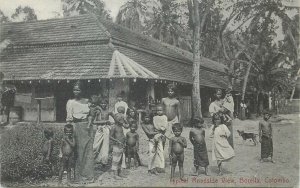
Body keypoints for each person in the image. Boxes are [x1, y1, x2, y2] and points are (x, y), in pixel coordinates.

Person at [66, 81, 94, 183]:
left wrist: (89, 124)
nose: (76, 91)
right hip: (76, 127)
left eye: (78, 89)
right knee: (78, 152)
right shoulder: (70, 102)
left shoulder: (87, 101)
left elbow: (90, 114)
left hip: (86, 127)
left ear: (82, 90)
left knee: (88, 151)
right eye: (74, 89)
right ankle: (78, 176)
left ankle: (88, 176)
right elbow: (69, 119)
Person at [110, 106, 129, 180]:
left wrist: (125, 120)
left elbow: (127, 126)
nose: (122, 120)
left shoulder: (121, 126)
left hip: (122, 144)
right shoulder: (114, 127)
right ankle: (115, 174)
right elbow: (110, 137)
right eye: (120, 119)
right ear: (116, 120)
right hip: (117, 145)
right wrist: (116, 141)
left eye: (122, 119)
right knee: (116, 159)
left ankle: (119, 173)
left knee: (121, 159)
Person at [93, 98, 112, 165]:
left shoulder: (108, 111)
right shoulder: (98, 112)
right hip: (99, 128)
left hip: (106, 128)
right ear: (100, 104)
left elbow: (115, 118)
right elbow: (94, 121)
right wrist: (104, 121)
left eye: (104, 103)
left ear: (107, 104)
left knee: (105, 146)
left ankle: (104, 161)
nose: (103, 104)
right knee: (95, 145)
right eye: (101, 103)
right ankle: (92, 159)